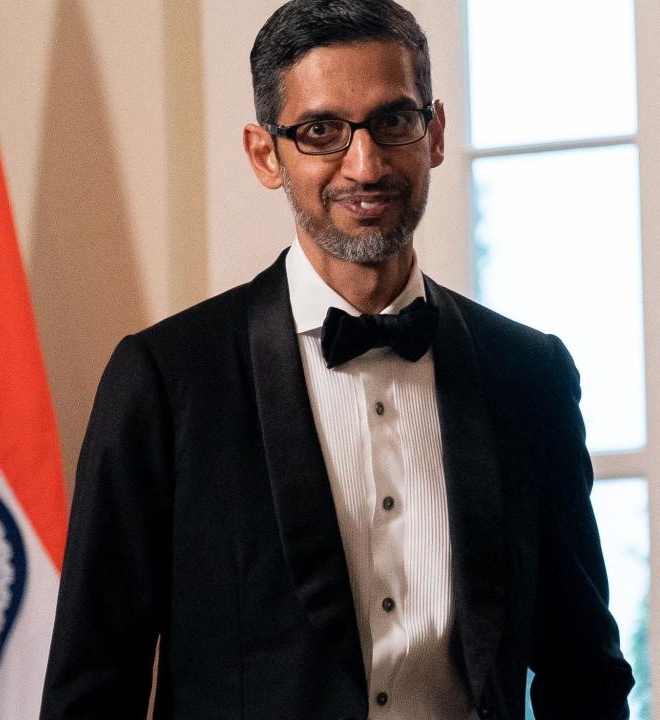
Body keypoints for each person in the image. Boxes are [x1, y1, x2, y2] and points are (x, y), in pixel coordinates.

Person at [39, 1, 635, 718]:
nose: (366, 163)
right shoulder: (164, 382)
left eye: (393, 121)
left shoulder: (529, 376)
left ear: (435, 132)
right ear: (267, 154)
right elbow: (92, 690)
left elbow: (585, 677)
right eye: (322, 131)